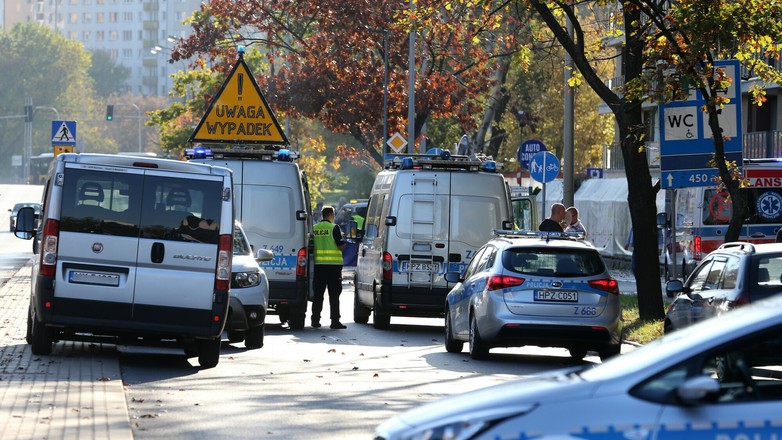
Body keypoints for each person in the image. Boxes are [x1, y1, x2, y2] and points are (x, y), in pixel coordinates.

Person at [312, 205, 347, 329]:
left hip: (318, 267)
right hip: (333, 267)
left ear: (322, 215)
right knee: (334, 295)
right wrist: (343, 238)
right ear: (331, 215)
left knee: (318, 295)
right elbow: (341, 246)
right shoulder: (334, 228)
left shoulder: (314, 229)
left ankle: (315, 320)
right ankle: (335, 321)